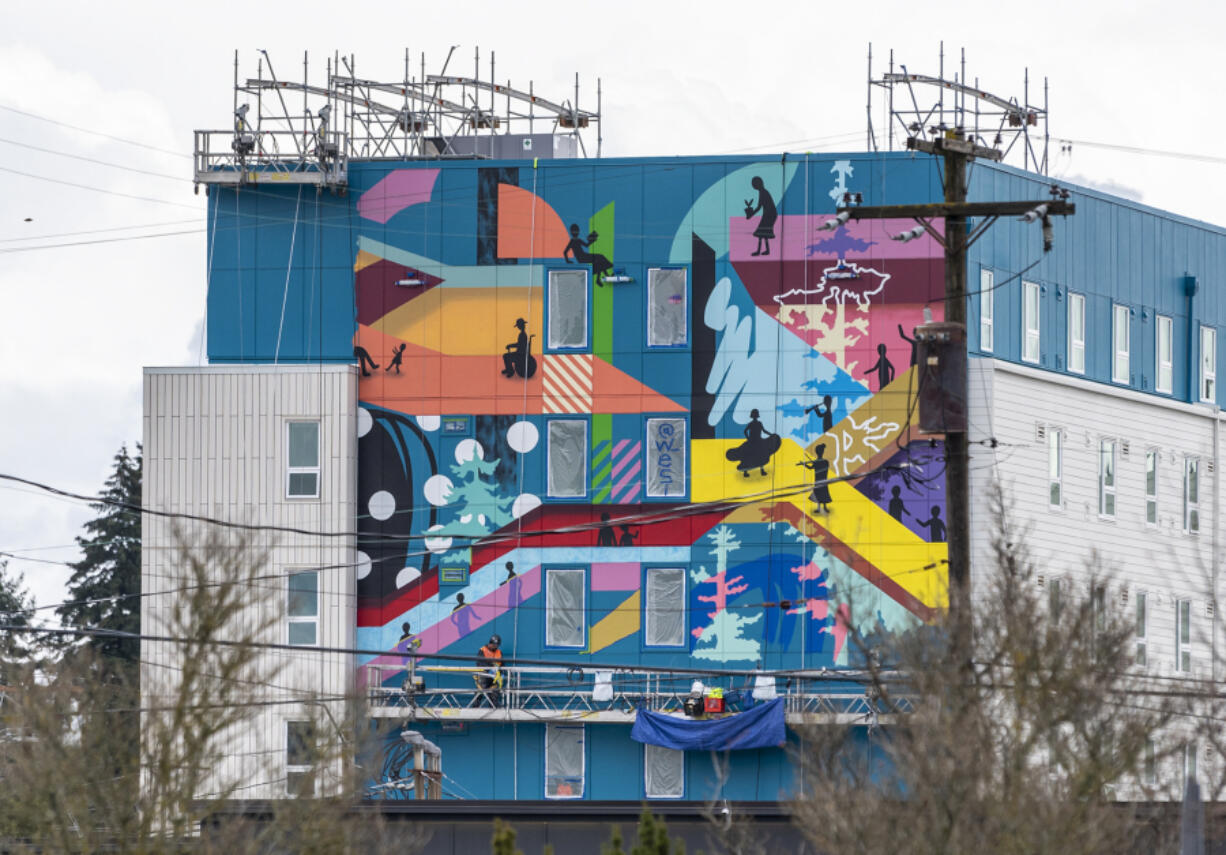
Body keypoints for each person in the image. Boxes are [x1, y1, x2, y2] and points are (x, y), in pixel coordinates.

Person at [725, 408, 782, 477]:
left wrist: (771, 435)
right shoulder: (751, 424)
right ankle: (746, 471)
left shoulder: (757, 423)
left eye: (755, 416)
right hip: (753, 441)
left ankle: (761, 470)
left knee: (762, 455)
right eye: (754, 415)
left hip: (758, 440)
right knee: (748, 455)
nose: (755, 417)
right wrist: (749, 439)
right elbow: (746, 431)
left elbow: (763, 431)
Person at [744, 177, 777, 256]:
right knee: (763, 233)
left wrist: (751, 215)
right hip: (769, 214)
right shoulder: (762, 192)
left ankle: (759, 251)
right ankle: (766, 250)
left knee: (761, 232)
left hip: (770, 214)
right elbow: (760, 207)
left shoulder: (763, 192)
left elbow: (759, 207)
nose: (753, 186)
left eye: (754, 184)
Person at [799, 443, 832, 512]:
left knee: (821, 493)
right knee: (820, 493)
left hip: (820, 480)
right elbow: (811, 467)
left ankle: (822, 508)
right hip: (821, 480)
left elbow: (811, 467)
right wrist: (804, 464)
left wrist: (804, 464)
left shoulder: (822, 462)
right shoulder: (824, 462)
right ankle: (822, 508)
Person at [472, 634, 503, 708]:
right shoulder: (482, 650)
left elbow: (502, 665)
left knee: (495, 693)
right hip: (484, 676)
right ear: (490, 643)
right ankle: (475, 707)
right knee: (480, 692)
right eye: (494, 645)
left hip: (494, 678)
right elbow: (480, 663)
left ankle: (493, 708)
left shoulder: (499, 652)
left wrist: (501, 673)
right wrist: (491, 668)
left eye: (497, 645)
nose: (495, 647)